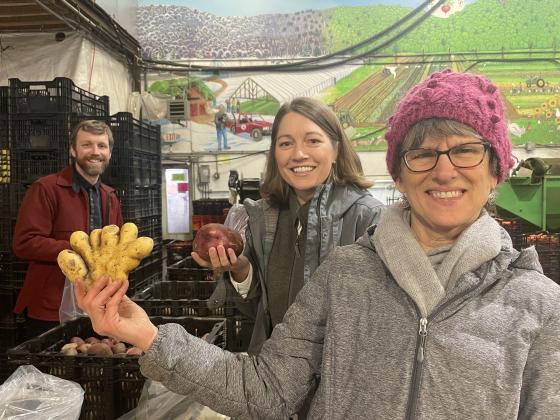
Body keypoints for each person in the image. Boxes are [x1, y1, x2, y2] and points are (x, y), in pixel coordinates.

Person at [76, 70, 560, 419]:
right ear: (398, 171)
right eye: (423, 153)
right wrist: (147, 335)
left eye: (467, 150)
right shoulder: (345, 271)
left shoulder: (538, 306)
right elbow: (269, 387)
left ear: (496, 168)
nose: (444, 169)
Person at [193, 96, 383, 354]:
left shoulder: (368, 220)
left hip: (337, 380)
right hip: (275, 375)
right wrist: (240, 270)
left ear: (336, 150)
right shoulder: (264, 219)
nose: (298, 154)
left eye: (313, 141)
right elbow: (259, 311)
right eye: (285, 143)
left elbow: (380, 322)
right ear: (275, 153)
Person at [13, 120, 122, 338]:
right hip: (50, 308)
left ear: (109, 152)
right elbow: (24, 243)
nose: (95, 152)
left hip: (97, 305)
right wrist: (79, 249)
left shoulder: (110, 196)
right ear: (73, 150)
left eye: (102, 146)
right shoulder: (46, 189)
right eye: (86, 145)